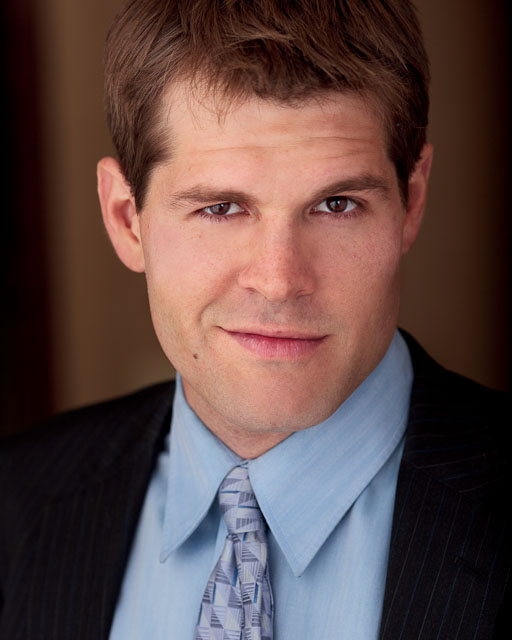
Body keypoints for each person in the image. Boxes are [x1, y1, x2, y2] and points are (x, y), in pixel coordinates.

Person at [0, 0, 508, 638]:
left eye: (337, 203)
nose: (279, 279)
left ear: (412, 202)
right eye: (220, 208)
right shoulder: (16, 505)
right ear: (127, 220)